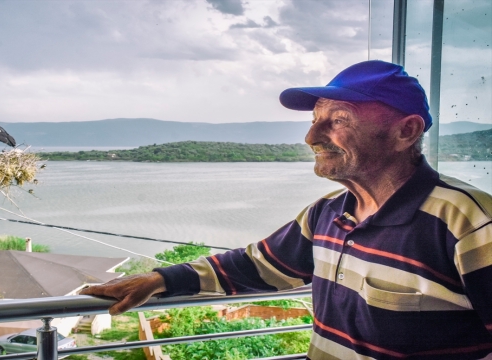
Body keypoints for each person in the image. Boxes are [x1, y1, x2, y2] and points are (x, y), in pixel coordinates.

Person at [81, 60, 492, 359]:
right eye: (315, 119)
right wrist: (158, 279)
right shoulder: (328, 214)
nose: (312, 135)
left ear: (406, 131)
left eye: (338, 120)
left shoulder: (470, 223)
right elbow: (256, 266)